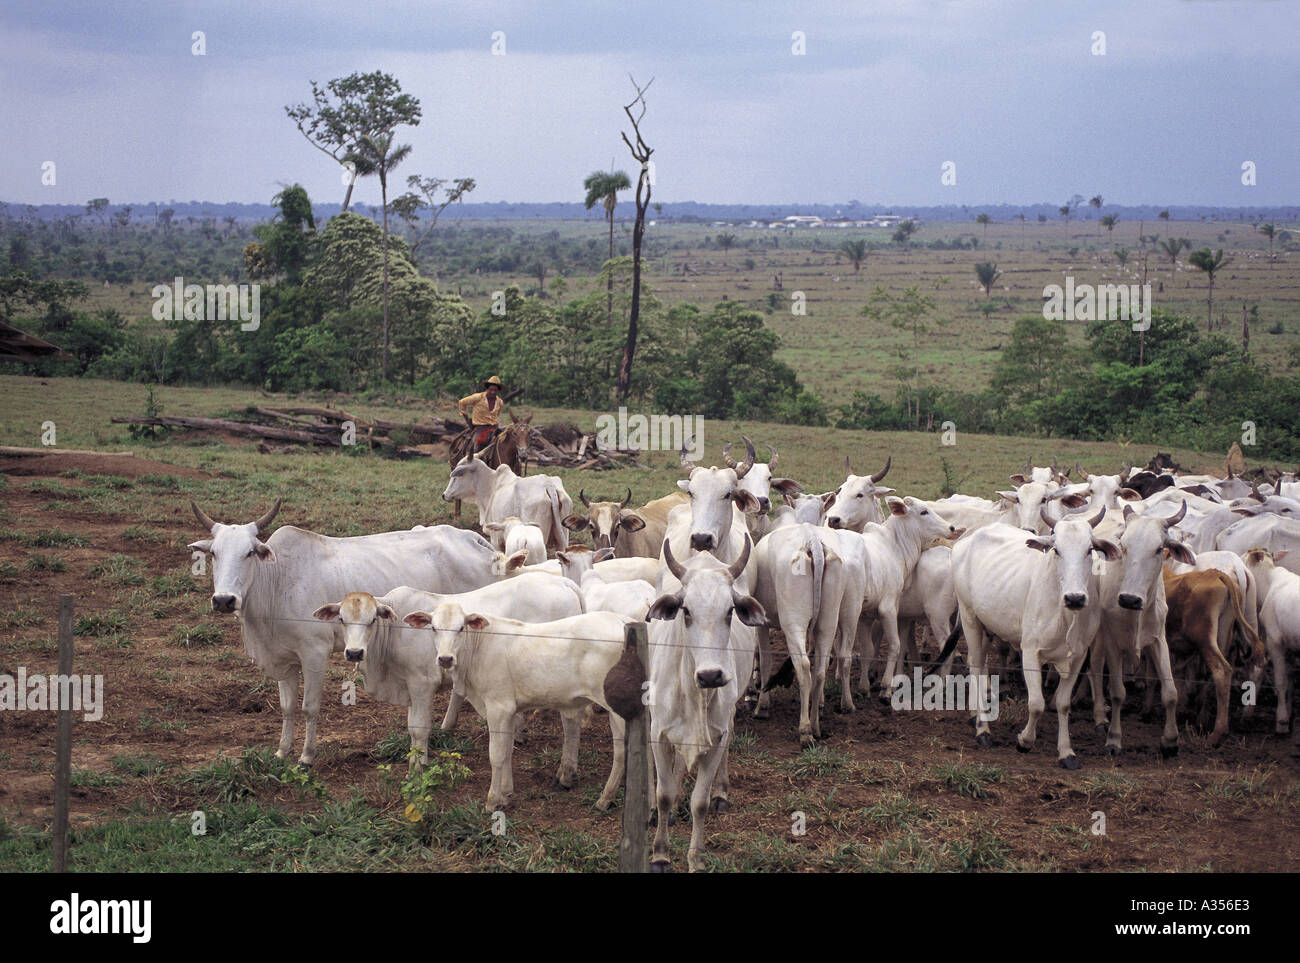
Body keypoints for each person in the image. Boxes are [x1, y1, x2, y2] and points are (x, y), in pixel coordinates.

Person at [458, 376, 505, 453]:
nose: (493, 392)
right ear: (487, 389)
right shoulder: (478, 397)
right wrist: (465, 416)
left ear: (498, 391)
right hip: (480, 428)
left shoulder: (500, 402)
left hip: (493, 428)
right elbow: (462, 402)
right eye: (491, 389)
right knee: (476, 448)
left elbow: (497, 415)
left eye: (495, 390)